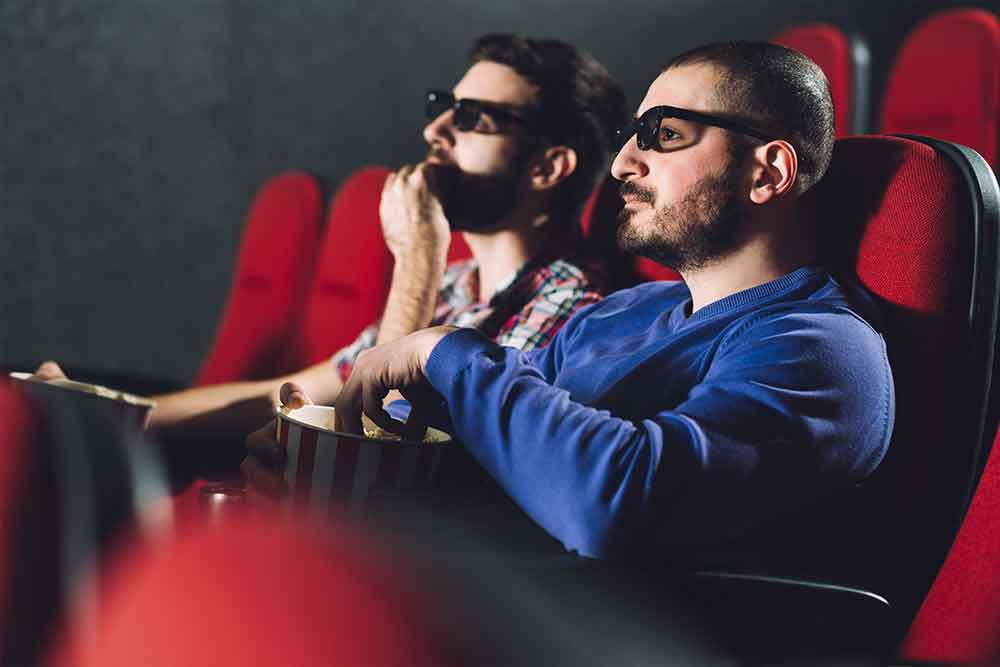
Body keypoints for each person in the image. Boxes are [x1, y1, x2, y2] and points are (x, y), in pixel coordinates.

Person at [247, 41, 895, 561]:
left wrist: (446, 349)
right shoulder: (616, 316)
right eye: (631, 134)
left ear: (769, 172)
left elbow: (611, 501)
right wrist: (334, 476)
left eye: (664, 134)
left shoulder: (824, 350)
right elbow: (483, 480)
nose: (621, 164)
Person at [35, 34, 627, 444]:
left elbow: (379, 442)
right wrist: (101, 412)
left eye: (471, 118)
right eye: (443, 107)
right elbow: (284, 395)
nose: (434, 129)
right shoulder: (457, 286)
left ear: (547, 169)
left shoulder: (575, 314)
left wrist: (416, 260)